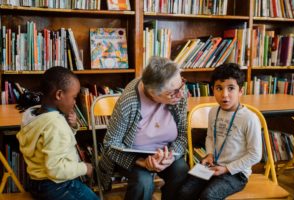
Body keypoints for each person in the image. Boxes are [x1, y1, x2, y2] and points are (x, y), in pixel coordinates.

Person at [98, 56, 189, 200]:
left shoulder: (178, 91)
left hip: (166, 153)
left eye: (182, 84)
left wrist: (170, 157)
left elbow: (183, 135)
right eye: (173, 92)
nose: (181, 94)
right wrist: (141, 162)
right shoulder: (129, 101)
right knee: (144, 182)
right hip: (133, 156)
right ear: (153, 93)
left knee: (181, 170)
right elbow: (110, 145)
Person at [177, 63, 262, 200]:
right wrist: (209, 154)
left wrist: (227, 169)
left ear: (241, 91)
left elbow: (255, 155)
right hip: (212, 165)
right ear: (212, 89)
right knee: (184, 191)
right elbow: (210, 137)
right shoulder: (213, 112)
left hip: (236, 173)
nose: (224, 95)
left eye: (231, 88)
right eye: (219, 88)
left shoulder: (249, 118)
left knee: (208, 196)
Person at [16, 67, 99, 200]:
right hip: (58, 185)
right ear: (59, 94)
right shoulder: (56, 125)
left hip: (37, 182)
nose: (75, 102)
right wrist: (85, 168)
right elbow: (56, 170)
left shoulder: (33, 114)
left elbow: (52, 141)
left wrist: (71, 126)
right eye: (74, 97)